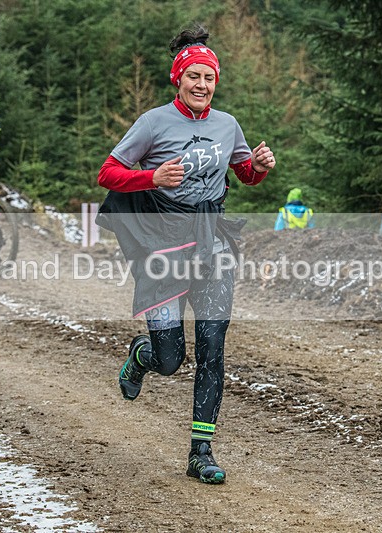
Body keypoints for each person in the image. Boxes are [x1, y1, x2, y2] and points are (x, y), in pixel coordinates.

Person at [95, 25, 275, 485]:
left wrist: (255, 167)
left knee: (213, 350)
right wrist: (150, 179)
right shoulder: (154, 122)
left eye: (209, 78)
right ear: (178, 78)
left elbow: (242, 173)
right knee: (171, 358)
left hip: (212, 243)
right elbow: (109, 173)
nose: (202, 85)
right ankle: (142, 356)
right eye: (193, 76)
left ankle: (201, 452)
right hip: (162, 246)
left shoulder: (227, 124)